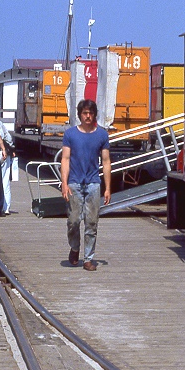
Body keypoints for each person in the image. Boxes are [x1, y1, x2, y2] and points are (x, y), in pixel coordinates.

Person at [60, 99, 111, 271]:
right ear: (80, 115)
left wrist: (108, 188)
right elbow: (65, 159)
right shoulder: (70, 134)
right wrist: (64, 183)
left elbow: (106, 161)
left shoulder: (102, 135)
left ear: (94, 115)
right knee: (73, 221)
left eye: (90, 113)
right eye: (84, 113)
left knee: (91, 223)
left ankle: (88, 258)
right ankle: (75, 248)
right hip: (74, 183)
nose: (88, 116)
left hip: (93, 183)